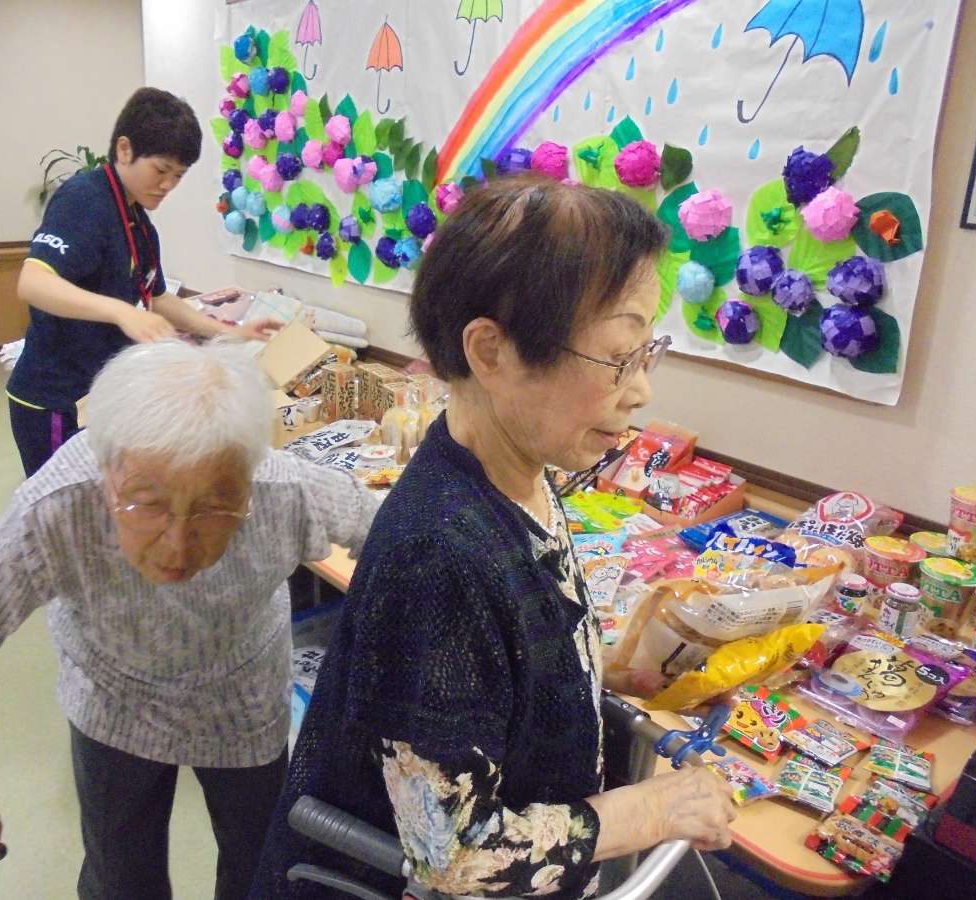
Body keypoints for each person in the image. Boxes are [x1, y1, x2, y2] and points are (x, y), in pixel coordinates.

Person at [251, 177, 735, 900]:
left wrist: (604, 668)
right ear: (491, 351)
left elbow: (510, 647)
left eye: (646, 354)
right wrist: (653, 809)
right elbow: (454, 853)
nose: (640, 391)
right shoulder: (438, 553)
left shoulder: (520, 472)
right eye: (617, 358)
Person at [0, 341, 380, 900]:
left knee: (260, 870)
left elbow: (397, 531)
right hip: (114, 701)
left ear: (245, 478)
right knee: (122, 878)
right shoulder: (61, 502)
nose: (178, 545)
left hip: (242, 700)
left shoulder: (283, 489)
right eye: (147, 502)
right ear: (106, 473)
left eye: (213, 506)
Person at [6, 86, 279, 477]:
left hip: (95, 395)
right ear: (124, 149)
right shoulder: (84, 199)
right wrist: (122, 312)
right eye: (161, 170)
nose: (168, 185)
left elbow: (159, 298)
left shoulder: (139, 223)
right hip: (53, 400)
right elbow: (33, 283)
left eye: (178, 176)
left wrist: (230, 332)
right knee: (66, 502)